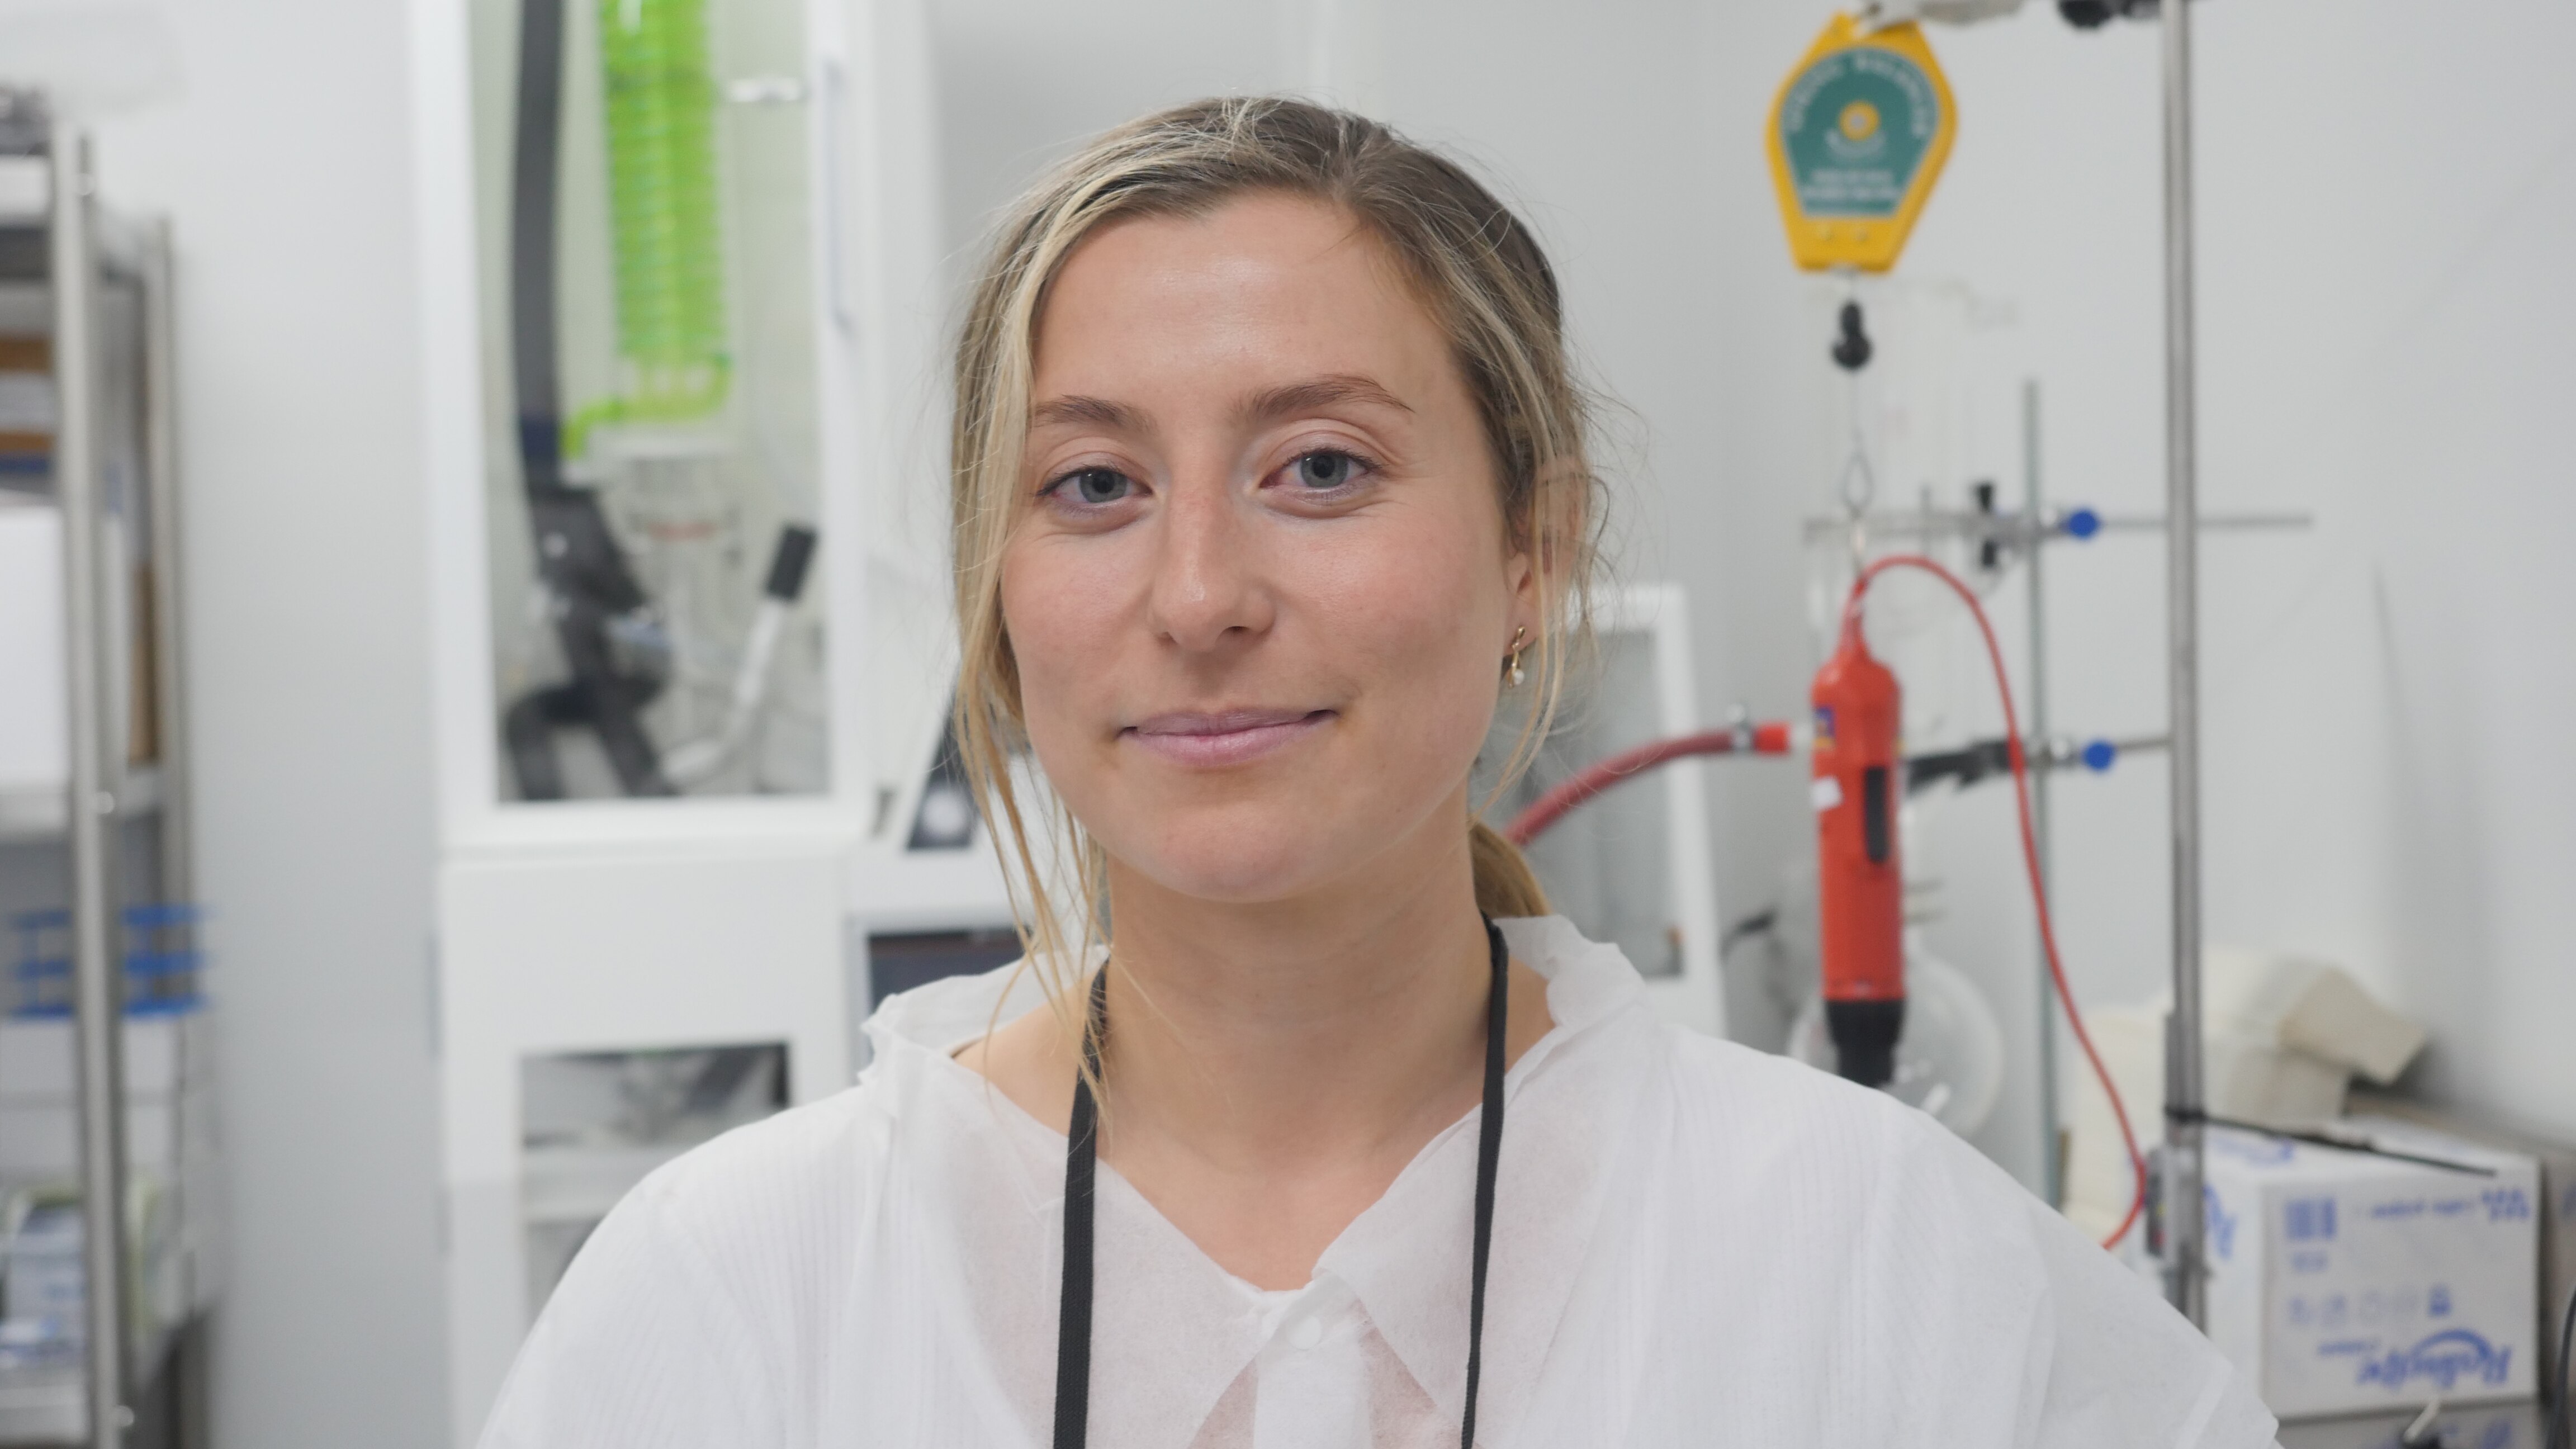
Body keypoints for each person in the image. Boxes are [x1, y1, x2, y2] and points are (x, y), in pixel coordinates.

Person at [478, 96, 2277, 1448]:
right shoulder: (739, 1292)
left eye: (1320, 467)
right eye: (1093, 484)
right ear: (998, 589)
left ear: (1533, 552)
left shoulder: (1868, 1257)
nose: (1197, 598)